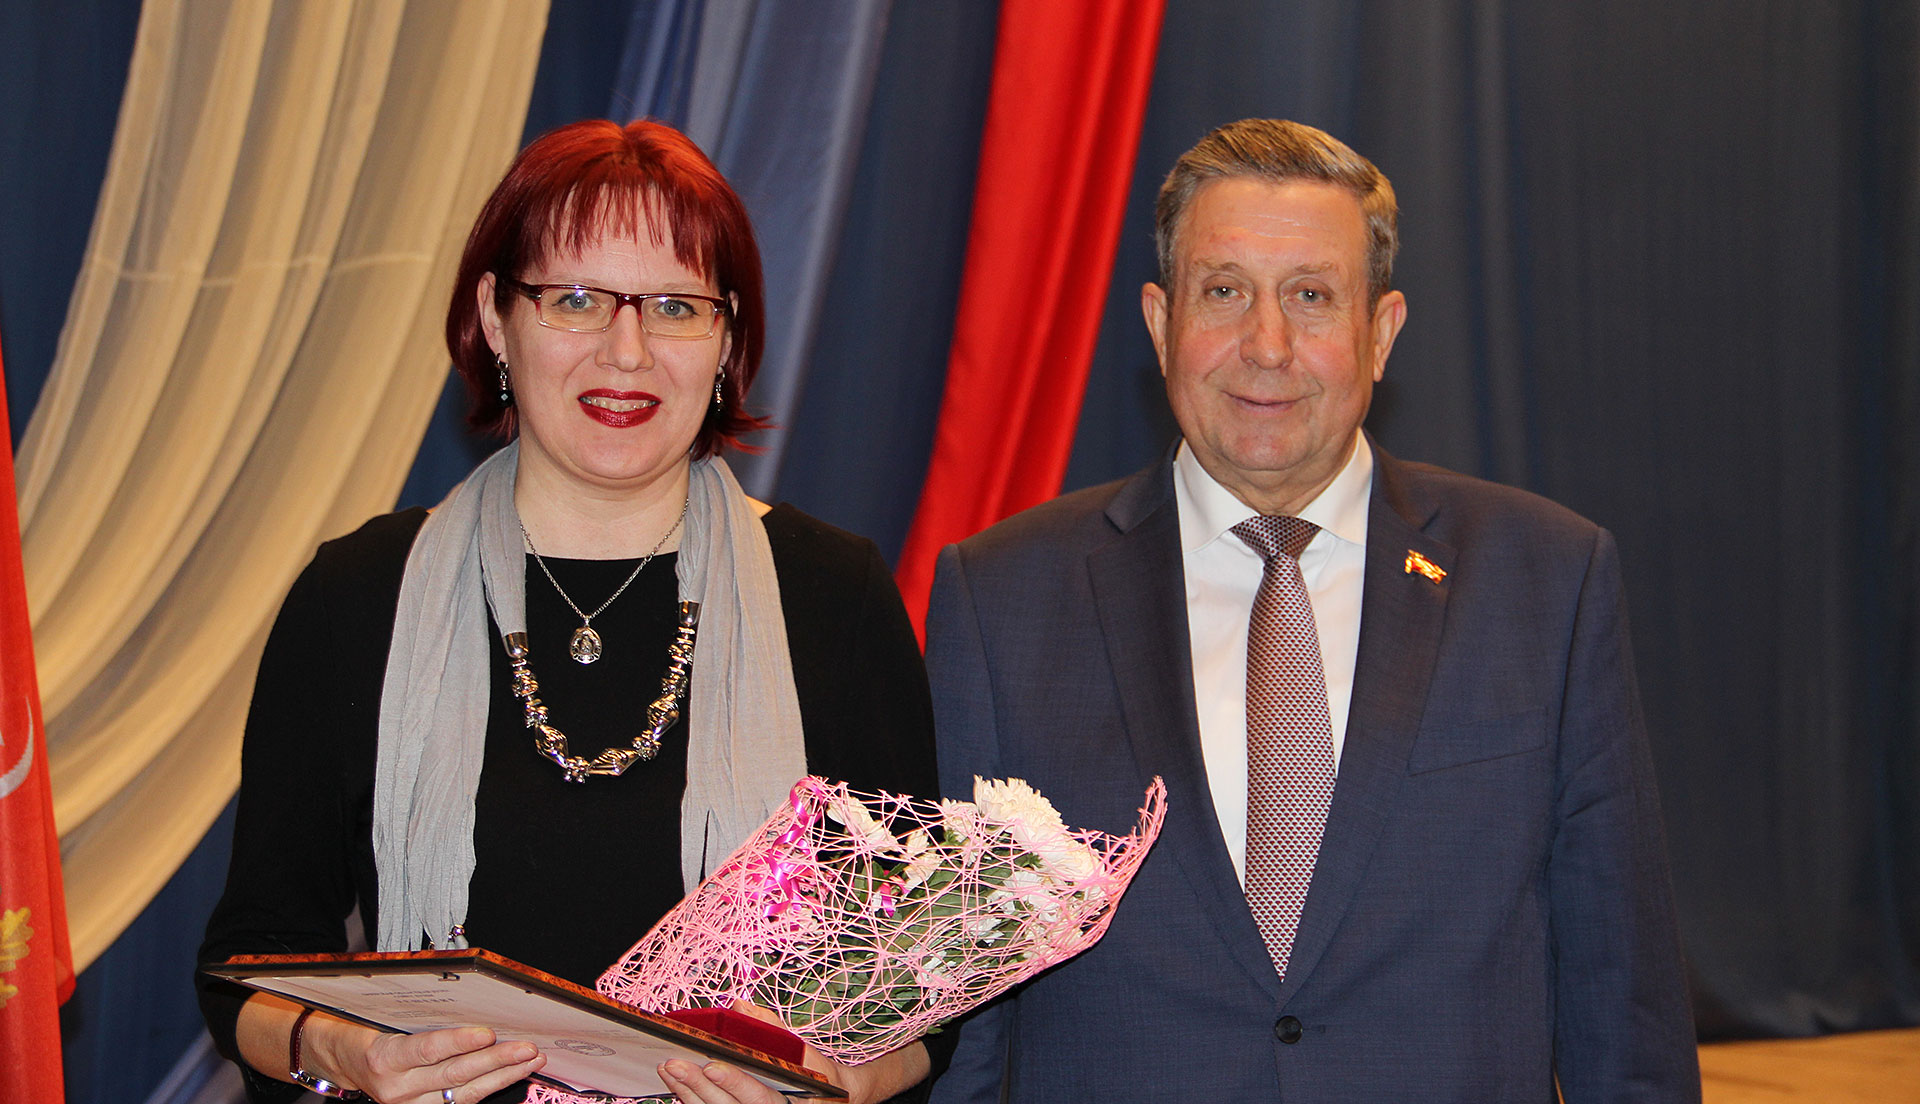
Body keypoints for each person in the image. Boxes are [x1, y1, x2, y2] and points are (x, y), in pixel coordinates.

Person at [923, 119, 1700, 1102]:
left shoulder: (1547, 579)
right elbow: (968, 1015)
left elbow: (1621, 997)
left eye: (1311, 297)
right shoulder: (1001, 595)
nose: (1268, 346)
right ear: (1160, 324)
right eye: (1224, 292)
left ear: (1381, 333)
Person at [198, 119, 943, 1104]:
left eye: (675, 306)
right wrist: (346, 1054)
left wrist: (831, 1084)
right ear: (495, 318)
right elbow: (248, 966)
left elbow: (924, 997)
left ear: (727, 340)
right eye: (577, 299)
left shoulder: (833, 593)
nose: (626, 352)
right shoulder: (358, 595)